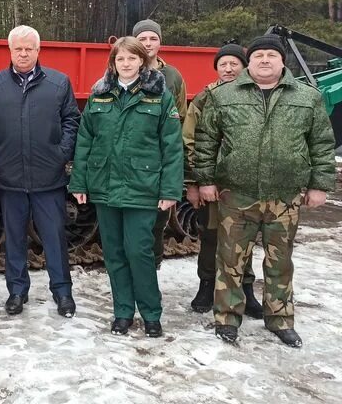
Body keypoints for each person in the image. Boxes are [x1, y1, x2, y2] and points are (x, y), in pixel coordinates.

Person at [195, 34, 336, 347]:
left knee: (280, 263)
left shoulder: (307, 96)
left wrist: (319, 184)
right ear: (251, 61)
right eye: (258, 55)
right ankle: (227, 318)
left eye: (272, 55)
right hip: (236, 195)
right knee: (230, 261)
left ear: (282, 61)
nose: (265, 60)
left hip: (285, 197)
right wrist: (205, 180)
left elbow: (321, 144)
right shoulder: (225, 95)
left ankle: (280, 319)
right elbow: (206, 141)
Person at [69, 36, 183, 337]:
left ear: (142, 61)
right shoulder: (100, 96)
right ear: (113, 62)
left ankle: (150, 313)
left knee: (139, 252)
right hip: (105, 187)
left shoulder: (158, 97)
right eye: (120, 59)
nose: (126, 63)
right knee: (115, 253)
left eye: (132, 58)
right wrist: (79, 181)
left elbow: (172, 146)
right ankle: (122, 312)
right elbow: (85, 141)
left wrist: (170, 190)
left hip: (142, 187)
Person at [0, 25, 80, 318]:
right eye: (18, 48)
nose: (23, 53)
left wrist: (60, 154)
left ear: (38, 51)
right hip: (10, 179)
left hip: (49, 179)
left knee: (54, 237)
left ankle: (62, 292)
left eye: (28, 48)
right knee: (14, 237)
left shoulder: (59, 83)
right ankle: (17, 291)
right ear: (9, 51)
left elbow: (72, 120)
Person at [182, 43, 262, 318]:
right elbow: (190, 141)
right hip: (213, 184)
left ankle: (246, 290)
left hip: (248, 184)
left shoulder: (258, 95)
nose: (228, 69)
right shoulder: (206, 98)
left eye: (234, 64)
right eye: (223, 64)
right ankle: (207, 285)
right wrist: (194, 182)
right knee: (212, 235)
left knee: (246, 238)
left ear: (244, 67)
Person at [132, 19, 187, 269]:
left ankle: (150, 276)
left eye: (152, 38)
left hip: (159, 161)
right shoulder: (125, 71)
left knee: (156, 225)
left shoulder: (172, 76)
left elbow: (182, 119)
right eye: (142, 39)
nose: (148, 43)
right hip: (131, 161)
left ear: (160, 41)